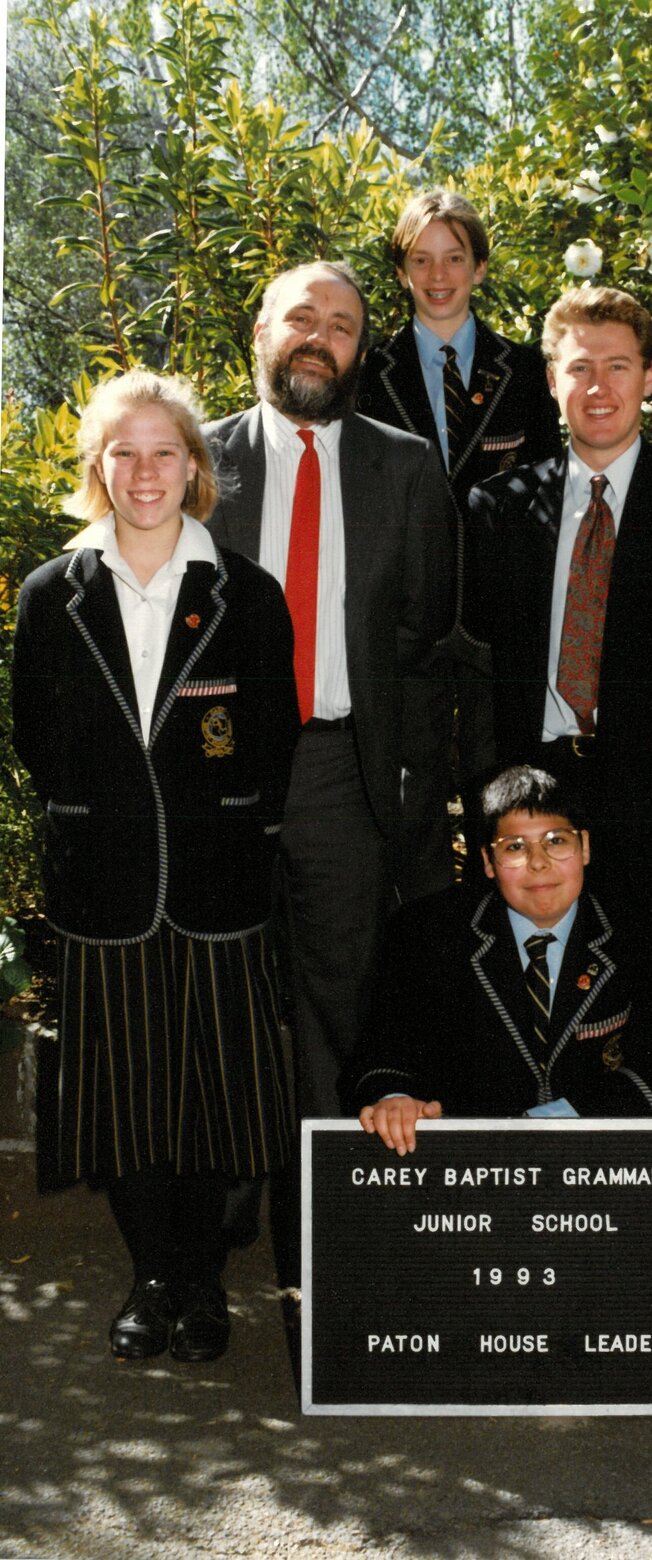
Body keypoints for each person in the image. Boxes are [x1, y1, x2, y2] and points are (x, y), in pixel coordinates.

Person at [11, 369, 300, 1363]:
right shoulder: (52, 594)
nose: (144, 472)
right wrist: (100, 815)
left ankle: (205, 1280)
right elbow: (37, 735)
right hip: (105, 883)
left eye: (163, 451)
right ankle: (152, 1277)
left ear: (194, 466)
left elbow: (272, 734)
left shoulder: (244, 593)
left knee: (217, 1096)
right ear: (98, 467)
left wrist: (231, 823)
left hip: (219, 881)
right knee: (127, 1097)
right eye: (123, 452)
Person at [206, 259, 455, 1122]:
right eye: (301, 319)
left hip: (341, 773)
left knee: (339, 998)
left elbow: (424, 637)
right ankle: (229, 1191)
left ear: (360, 355)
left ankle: (326, 1199)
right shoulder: (195, 461)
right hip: (215, 768)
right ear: (262, 334)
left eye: (342, 327)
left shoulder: (407, 467)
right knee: (218, 987)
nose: (319, 339)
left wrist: (411, 784)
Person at [465, 285, 652, 1116]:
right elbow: (477, 664)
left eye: (618, 366)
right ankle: (548, 1173)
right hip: (538, 785)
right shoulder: (501, 505)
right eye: (580, 368)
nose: (599, 387)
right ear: (551, 380)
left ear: (650, 376)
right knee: (537, 997)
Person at [357, 187, 562, 803]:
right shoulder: (368, 375)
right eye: (421, 260)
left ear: (480, 267)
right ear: (401, 272)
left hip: (497, 624)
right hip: (403, 623)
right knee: (407, 801)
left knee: (501, 790)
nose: (438, 275)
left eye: (454, 258)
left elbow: (548, 497)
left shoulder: (526, 372)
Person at [351, 765, 652, 1155]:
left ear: (584, 847)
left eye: (557, 841)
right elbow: (383, 1048)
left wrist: (545, 1124)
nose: (538, 862)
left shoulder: (640, 932)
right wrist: (394, 1097)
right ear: (487, 860)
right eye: (514, 847)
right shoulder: (425, 932)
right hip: (470, 1165)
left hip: (601, 1159)